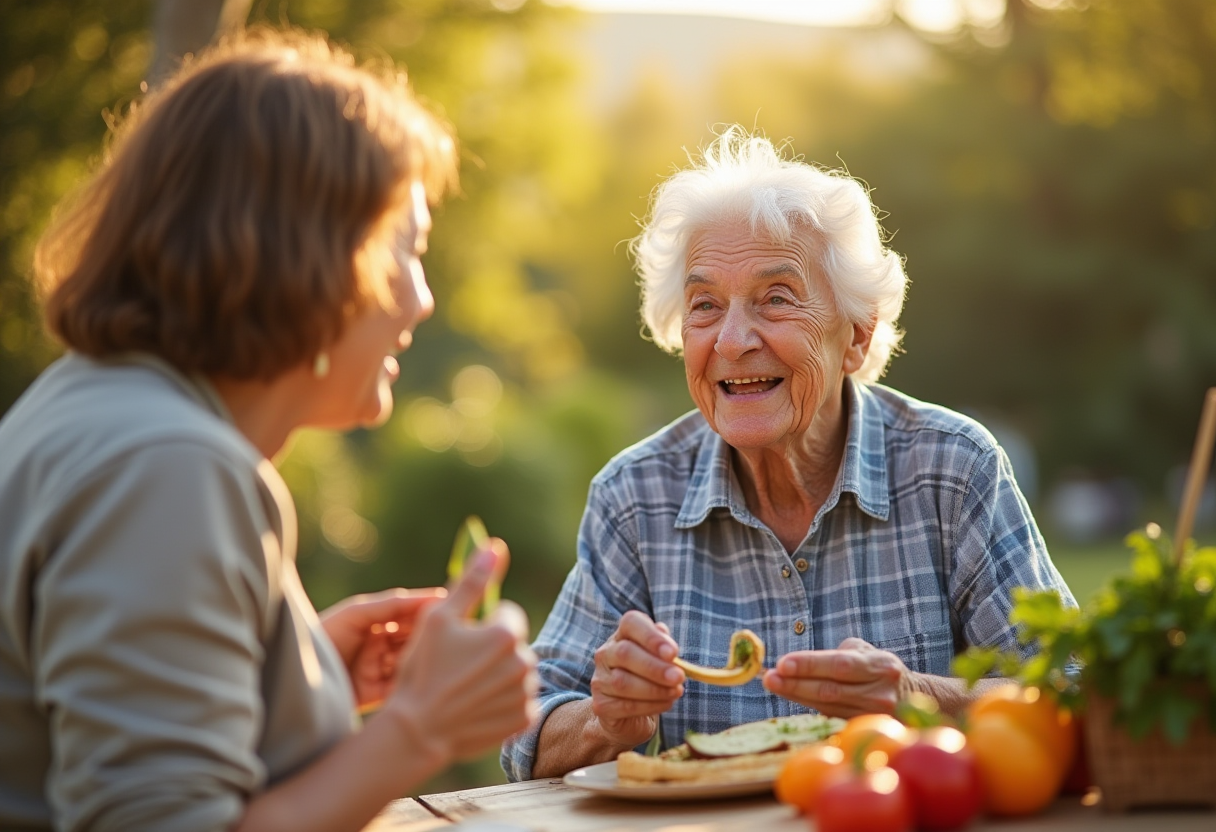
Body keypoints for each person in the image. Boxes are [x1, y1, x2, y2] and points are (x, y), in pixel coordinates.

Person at [0, 28, 538, 832]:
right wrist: (422, 727)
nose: (422, 299)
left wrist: (298, 674)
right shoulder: (169, 467)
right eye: (409, 248)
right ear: (318, 258)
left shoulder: (91, 406)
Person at [502, 127, 1076, 782]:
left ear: (856, 337)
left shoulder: (953, 469)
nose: (732, 340)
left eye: (776, 299)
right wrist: (604, 720)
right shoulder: (635, 496)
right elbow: (525, 730)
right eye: (704, 305)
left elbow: (1077, 691)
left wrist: (920, 696)